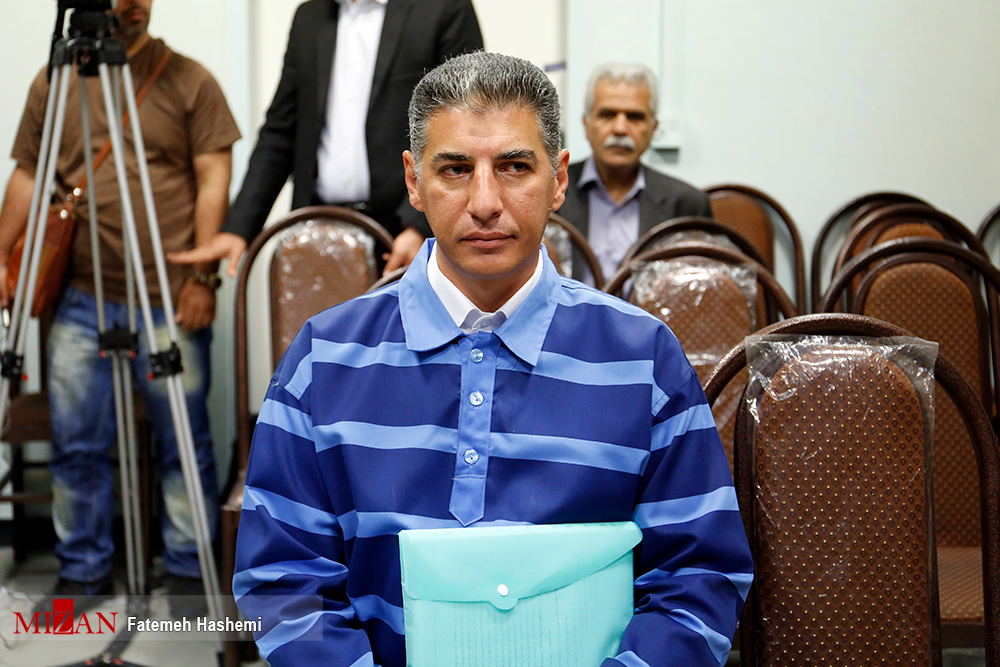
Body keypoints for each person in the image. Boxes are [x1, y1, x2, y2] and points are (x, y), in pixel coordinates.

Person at [233, 52, 751, 667]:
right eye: (455, 169)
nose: (485, 201)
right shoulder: (324, 359)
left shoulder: (645, 360)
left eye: (514, 167)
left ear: (559, 179)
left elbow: (699, 576)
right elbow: (283, 580)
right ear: (413, 181)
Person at [0, 0, 240, 617]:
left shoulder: (189, 79)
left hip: (167, 295)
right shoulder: (55, 80)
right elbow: (28, 173)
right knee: (75, 442)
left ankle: (188, 573)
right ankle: (81, 572)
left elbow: (213, 179)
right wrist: (4, 259)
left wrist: (202, 280)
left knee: (181, 440)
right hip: (82, 297)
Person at [167, 0, 483, 279]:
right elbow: (281, 130)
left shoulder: (444, 7)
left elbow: (465, 124)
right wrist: (239, 228)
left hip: (404, 237)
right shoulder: (310, 16)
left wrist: (419, 225)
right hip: (317, 229)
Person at [558, 63, 713, 286]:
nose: (620, 129)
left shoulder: (687, 204)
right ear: (586, 124)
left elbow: (701, 289)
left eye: (634, 117)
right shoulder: (550, 189)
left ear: (653, 128)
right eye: (607, 115)